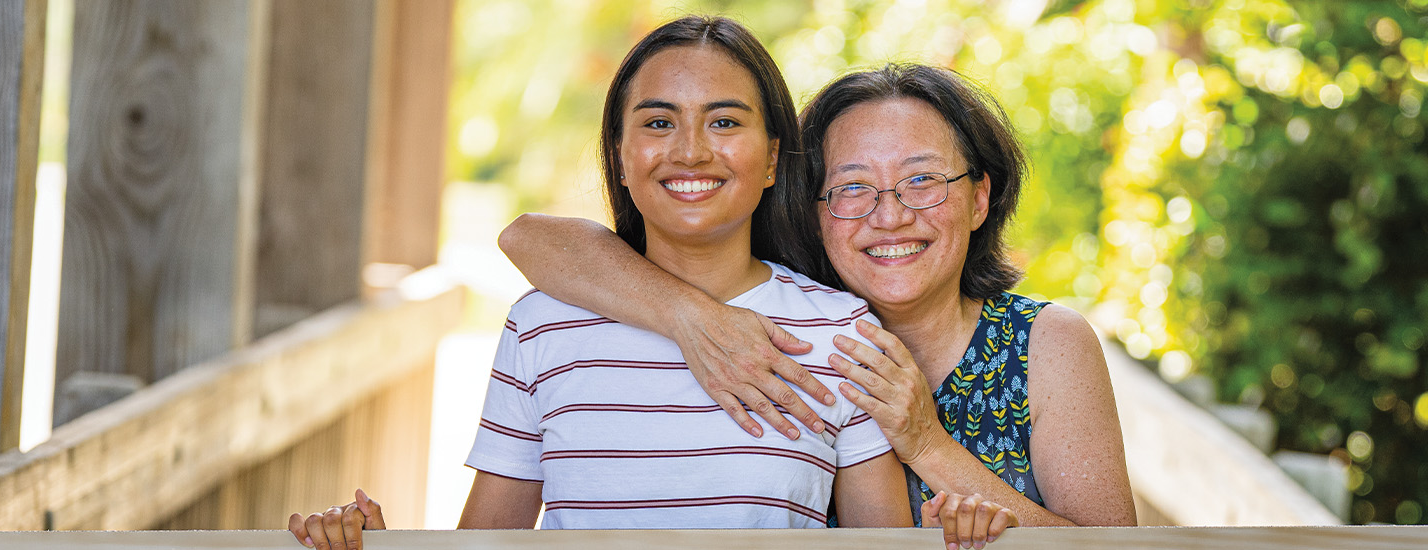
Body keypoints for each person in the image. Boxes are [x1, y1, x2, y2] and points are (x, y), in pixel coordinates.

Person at [288, 17, 1017, 550]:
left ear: (771, 159)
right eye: (659, 121)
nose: (691, 149)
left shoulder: (841, 331)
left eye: (725, 121)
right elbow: (482, 546)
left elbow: (881, 548)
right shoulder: (541, 325)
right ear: (622, 153)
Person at [498, 63, 1137, 540]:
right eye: (853, 187)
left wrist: (925, 443)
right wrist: (692, 318)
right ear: (815, 209)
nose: (889, 215)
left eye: (921, 180)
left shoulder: (1044, 342)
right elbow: (529, 237)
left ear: (978, 198)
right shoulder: (797, 330)